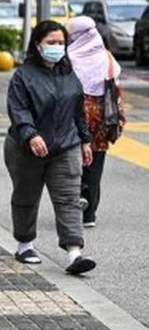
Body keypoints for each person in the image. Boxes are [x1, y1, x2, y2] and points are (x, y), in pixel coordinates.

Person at [5, 21, 96, 275]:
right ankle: (25, 245)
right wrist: (31, 135)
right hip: (26, 148)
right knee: (26, 197)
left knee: (69, 198)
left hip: (66, 145)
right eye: (51, 42)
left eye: (61, 43)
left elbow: (78, 111)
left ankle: (74, 254)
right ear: (37, 44)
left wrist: (85, 140)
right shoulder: (23, 76)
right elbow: (18, 110)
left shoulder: (69, 74)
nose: (57, 47)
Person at [67, 16, 125, 228]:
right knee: (96, 162)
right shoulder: (107, 57)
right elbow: (115, 84)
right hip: (102, 118)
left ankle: (76, 202)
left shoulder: (70, 57)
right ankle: (90, 213)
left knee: (72, 160)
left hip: (75, 115)